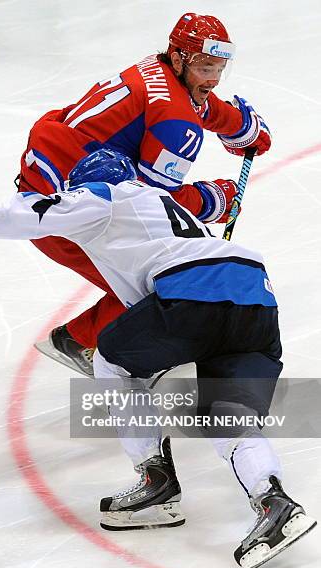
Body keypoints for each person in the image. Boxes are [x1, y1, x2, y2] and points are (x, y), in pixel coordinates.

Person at [0, 150, 315, 568]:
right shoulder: (162, 207)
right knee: (230, 417)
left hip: (194, 287)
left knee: (110, 362)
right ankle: (275, 506)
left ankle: (155, 480)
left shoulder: (111, 194)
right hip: (256, 294)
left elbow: (35, 209)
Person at [16, 12, 272, 377]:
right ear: (180, 58)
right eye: (205, 68)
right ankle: (82, 343)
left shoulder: (157, 69)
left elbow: (197, 103)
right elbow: (153, 208)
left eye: (220, 68)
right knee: (172, 277)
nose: (213, 79)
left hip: (47, 185)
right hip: (68, 215)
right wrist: (213, 199)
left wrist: (238, 125)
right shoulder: (176, 120)